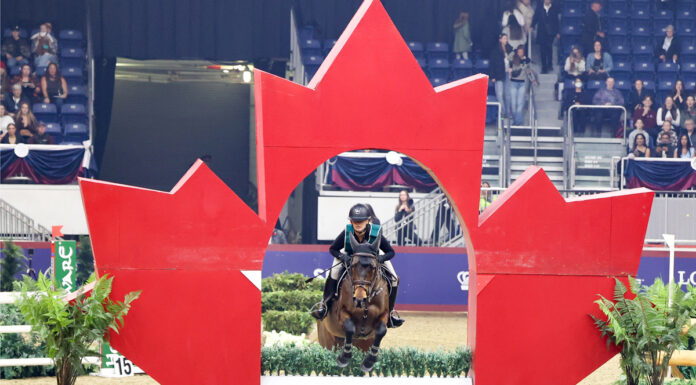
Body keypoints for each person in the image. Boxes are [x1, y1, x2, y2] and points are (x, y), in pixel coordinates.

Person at [310, 203, 404, 328]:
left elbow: (391, 252)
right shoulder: (347, 232)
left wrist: (380, 259)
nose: (357, 223)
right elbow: (333, 249)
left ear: (368, 221)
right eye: (354, 221)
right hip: (349, 256)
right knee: (333, 273)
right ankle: (324, 306)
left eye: (361, 221)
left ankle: (390, 313)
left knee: (394, 279)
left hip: (374, 257)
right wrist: (343, 257)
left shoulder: (375, 232)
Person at [532, 0, 559, 74]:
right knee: (542, 50)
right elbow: (536, 17)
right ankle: (544, 67)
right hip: (541, 32)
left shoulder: (554, 8)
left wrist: (557, 32)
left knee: (549, 48)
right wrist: (532, 26)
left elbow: (556, 21)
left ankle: (550, 64)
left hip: (550, 33)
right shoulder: (539, 7)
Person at [490, 33, 513, 120]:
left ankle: (508, 112)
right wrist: (492, 76)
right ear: (500, 40)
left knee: (507, 94)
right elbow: (492, 64)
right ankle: (502, 112)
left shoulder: (510, 49)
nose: (505, 40)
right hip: (498, 74)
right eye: (504, 38)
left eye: (506, 39)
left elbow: (513, 60)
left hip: (507, 73)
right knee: (500, 94)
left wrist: (512, 67)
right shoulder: (495, 50)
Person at [508, 45, 531, 125]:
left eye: (521, 52)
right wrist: (514, 51)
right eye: (519, 52)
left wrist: (524, 59)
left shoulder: (526, 61)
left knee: (520, 104)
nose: (520, 54)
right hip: (513, 82)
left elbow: (529, 63)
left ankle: (518, 122)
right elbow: (508, 57)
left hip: (522, 83)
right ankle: (515, 120)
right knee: (513, 104)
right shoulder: (513, 59)